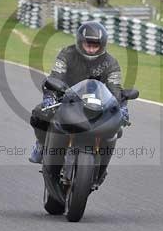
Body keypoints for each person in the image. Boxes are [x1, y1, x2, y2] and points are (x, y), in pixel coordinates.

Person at [28, 21, 128, 164]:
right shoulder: (67, 54)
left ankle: (102, 164)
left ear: (102, 45)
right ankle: (41, 144)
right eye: (88, 44)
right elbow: (55, 76)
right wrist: (50, 97)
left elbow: (115, 88)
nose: (91, 49)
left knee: (117, 128)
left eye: (95, 45)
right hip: (67, 100)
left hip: (98, 105)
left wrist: (121, 107)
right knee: (39, 113)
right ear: (80, 42)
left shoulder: (111, 63)